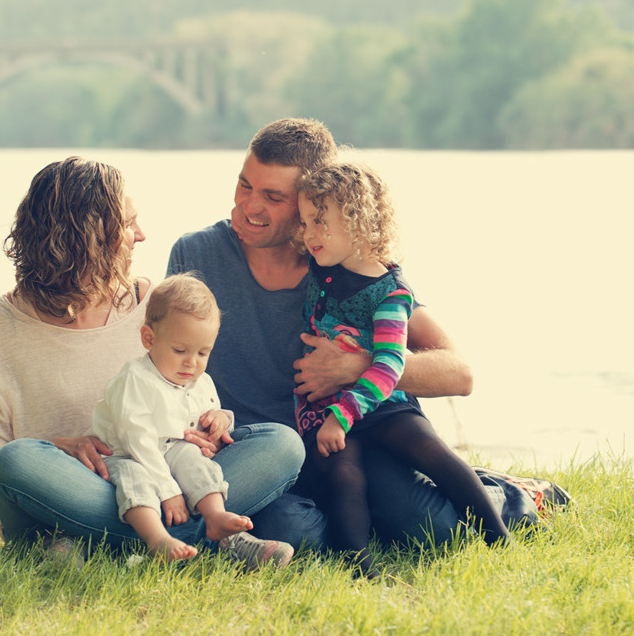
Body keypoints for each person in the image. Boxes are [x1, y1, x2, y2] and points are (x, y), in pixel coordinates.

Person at [167, 117, 522, 552]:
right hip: (262, 452)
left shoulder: (347, 261)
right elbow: (167, 361)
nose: (248, 207)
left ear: (314, 201)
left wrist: (358, 366)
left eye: (273, 197)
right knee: (295, 533)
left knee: (435, 530)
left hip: (348, 434)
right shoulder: (196, 253)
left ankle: (513, 492)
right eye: (244, 185)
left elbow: (460, 373)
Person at [0, 156, 303, 568]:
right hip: (69, 492)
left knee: (281, 444)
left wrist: (204, 431)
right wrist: (58, 449)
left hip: (160, 478)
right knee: (14, 462)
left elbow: (185, 392)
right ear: (86, 237)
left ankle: (106, 541)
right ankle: (189, 539)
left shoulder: (153, 306)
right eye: (128, 224)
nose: (141, 235)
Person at [295, 161, 511, 578]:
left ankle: (499, 536)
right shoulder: (321, 267)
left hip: (381, 400)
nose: (307, 234)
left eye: (319, 222)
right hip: (326, 402)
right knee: (344, 473)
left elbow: (390, 365)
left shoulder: (390, 294)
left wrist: (343, 415)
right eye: (305, 222)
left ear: (359, 223)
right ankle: (359, 565)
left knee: (431, 450)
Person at [89, 273, 294, 565]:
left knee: (193, 459)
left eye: (203, 352)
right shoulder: (135, 378)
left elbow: (205, 420)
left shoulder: (199, 380)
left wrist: (221, 420)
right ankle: (157, 538)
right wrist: (169, 491)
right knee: (137, 479)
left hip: (172, 451)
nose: (192, 362)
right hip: (124, 455)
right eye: (180, 350)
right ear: (149, 338)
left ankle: (215, 516)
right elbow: (137, 440)